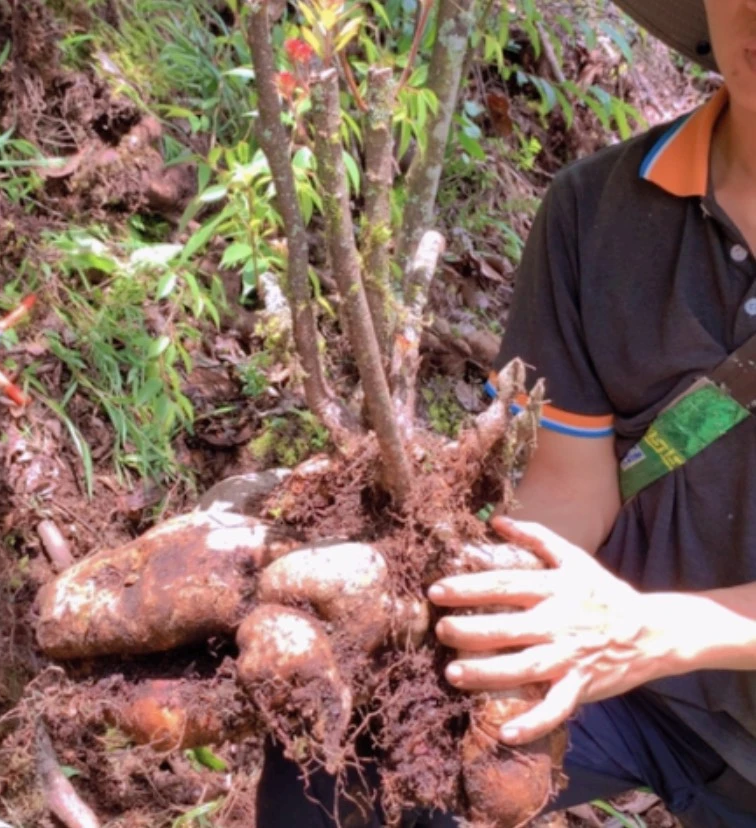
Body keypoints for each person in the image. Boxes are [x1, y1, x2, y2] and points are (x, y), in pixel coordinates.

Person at [257, 1, 756, 825]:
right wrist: (432, 593)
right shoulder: (597, 212)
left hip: (657, 649)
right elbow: (568, 491)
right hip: (627, 685)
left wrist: (656, 631)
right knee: (338, 771)